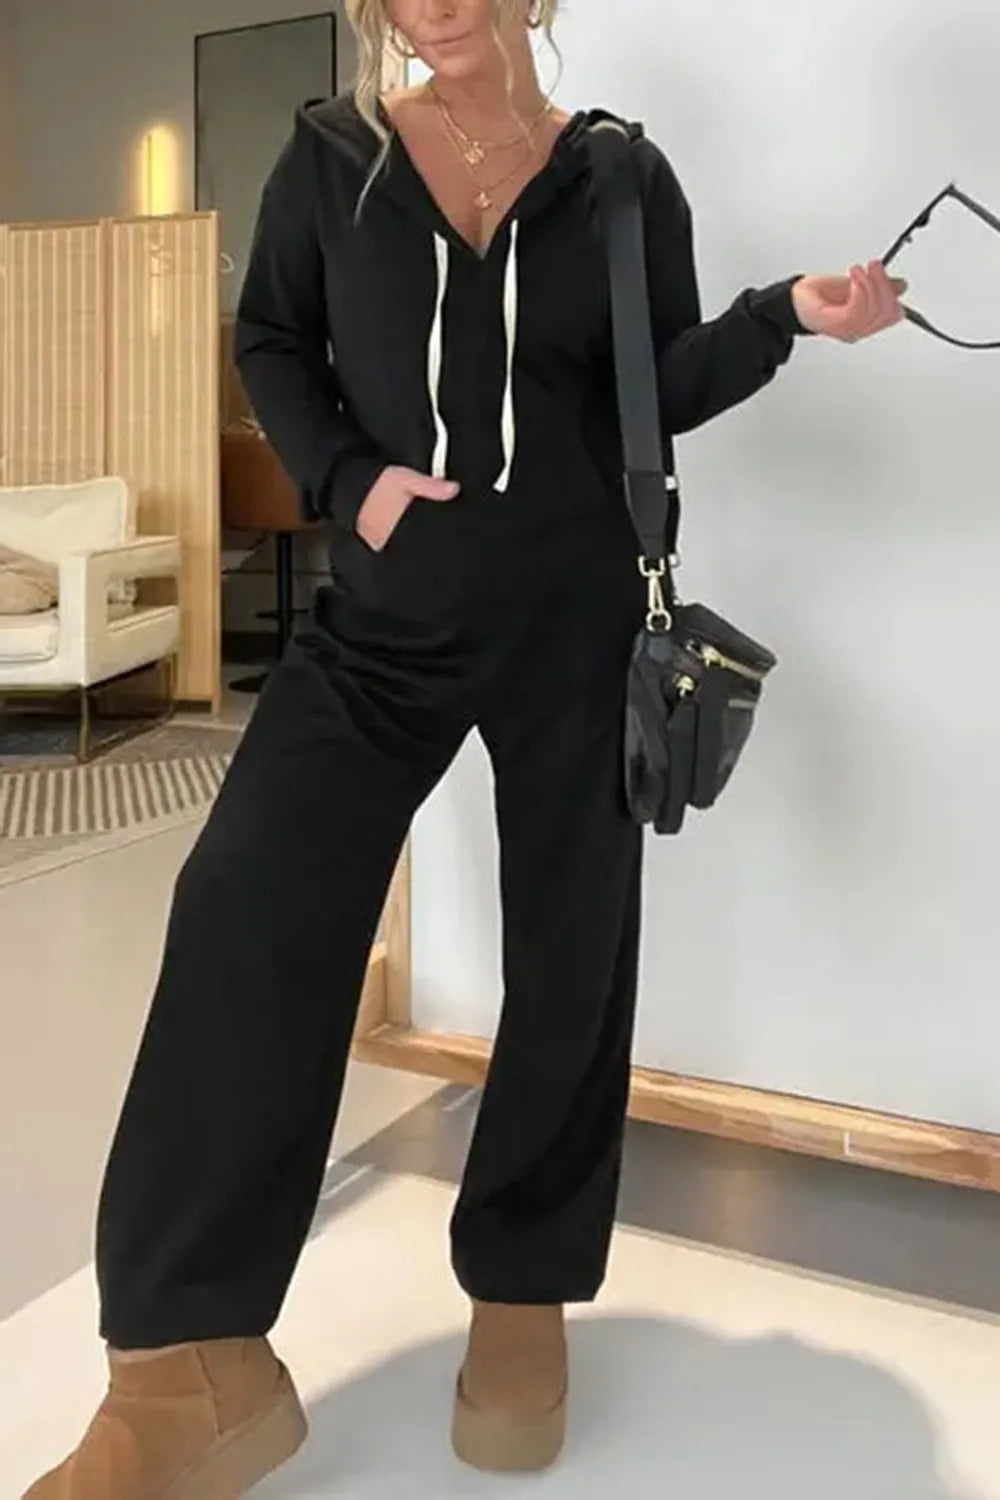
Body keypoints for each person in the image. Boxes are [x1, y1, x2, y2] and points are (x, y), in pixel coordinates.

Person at [23, 2, 906, 1496]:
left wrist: (785, 319)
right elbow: (273, 339)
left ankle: (521, 1291)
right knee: (244, 904)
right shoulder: (335, 157)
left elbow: (657, 386)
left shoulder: (622, 177)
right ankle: (188, 1367)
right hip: (382, 623)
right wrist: (348, 479)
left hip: (577, 621)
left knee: (571, 948)